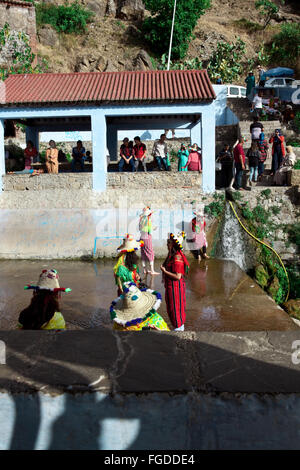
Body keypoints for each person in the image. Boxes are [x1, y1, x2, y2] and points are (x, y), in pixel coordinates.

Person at [160, 232, 190, 331]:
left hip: (175, 288)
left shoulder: (177, 257)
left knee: (176, 309)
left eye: (168, 242)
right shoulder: (171, 255)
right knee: (173, 309)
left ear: (173, 244)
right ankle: (178, 329)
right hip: (171, 287)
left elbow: (178, 276)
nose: (166, 244)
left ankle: (178, 331)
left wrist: (164, 271)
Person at [139, 207, 159, 276]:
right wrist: (154, 228)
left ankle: (145, 269)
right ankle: (152, 270)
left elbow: (143, 228)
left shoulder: (141, 219)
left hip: (141, 238)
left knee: (143, 252)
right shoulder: (148, 219)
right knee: (150, 252)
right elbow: (149, 229)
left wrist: (153, 228)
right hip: (147, 237)